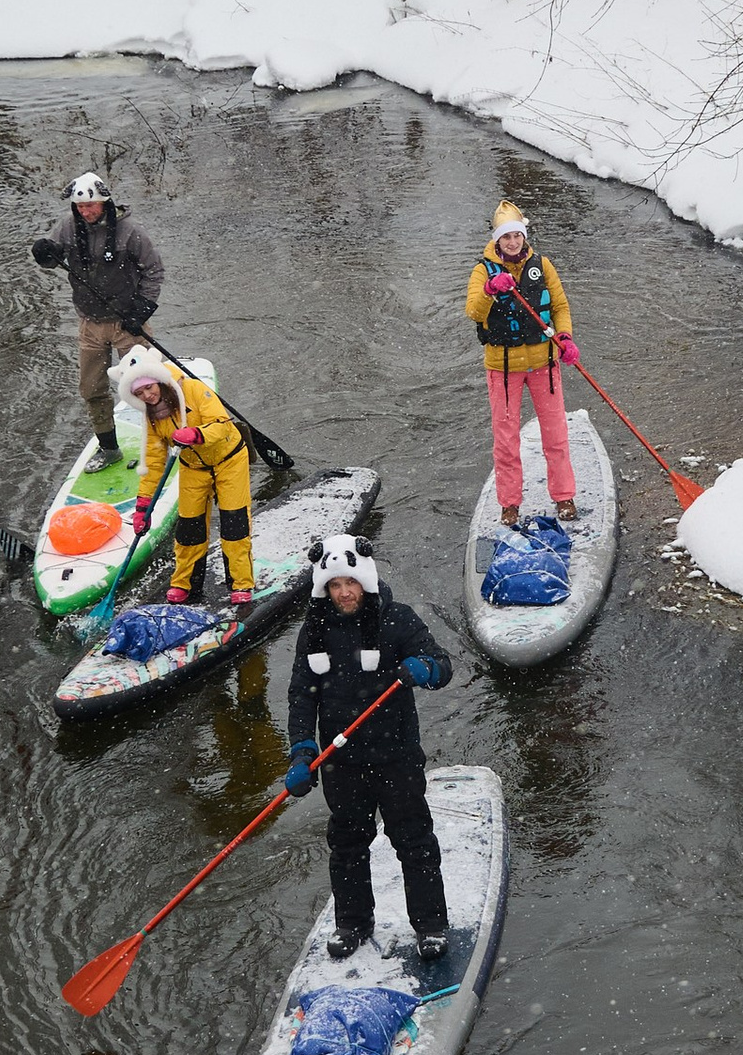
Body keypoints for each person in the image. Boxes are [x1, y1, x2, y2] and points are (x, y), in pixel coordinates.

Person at [283, 534, 454, 958]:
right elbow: (302, 696)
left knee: (414, 843)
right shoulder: (314, 631)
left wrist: (426, 668)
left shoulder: (398, 619)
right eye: (336, 585)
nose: (344, 592)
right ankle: (353, 924)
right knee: (346, 847)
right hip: (342, 764)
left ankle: (431, 926)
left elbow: (443, 665)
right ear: (325, 588)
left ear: (365, 582)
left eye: (351, 583)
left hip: (396, 758)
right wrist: (303, 752)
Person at [29, 172, 164, 464]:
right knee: (91, 389)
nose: (86, 212)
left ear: (105, 202)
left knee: (146, 387)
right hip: (90, 323)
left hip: (127, 322)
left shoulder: (130, 231)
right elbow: (52, 260)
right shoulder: (67, 227)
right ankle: (109, 449)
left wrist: (141, 309)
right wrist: (44, 254)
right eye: (80, 207)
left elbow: (153, 271)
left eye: (91, 205)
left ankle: (161, 442)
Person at [464, 199, 579, 530]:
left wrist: (566, 338)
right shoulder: (482, 271)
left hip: (545, 363)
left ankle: (564, 497)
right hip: (503, 369)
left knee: (556, 435)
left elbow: (559, 305)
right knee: (506, 440)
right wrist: (489, 290)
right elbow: (474, 310)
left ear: (524, 236)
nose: (512, 243)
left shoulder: (542, 265)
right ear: (497, 241)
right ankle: (510, 504)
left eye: (517, 236)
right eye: (506, 238)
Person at [118, 347, 253, 608]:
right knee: (189, 529)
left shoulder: (193, 390)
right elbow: (154, 463)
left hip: (229, 460)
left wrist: (196, 435)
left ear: (158, 380)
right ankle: (185, 583)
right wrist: (143, 506)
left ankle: (240, 583)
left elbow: (222, 425)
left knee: (234, 524)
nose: (148, 395)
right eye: (139, 393)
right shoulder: (152, 419)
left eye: (149, 387)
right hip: (193, 466)